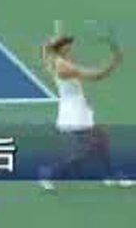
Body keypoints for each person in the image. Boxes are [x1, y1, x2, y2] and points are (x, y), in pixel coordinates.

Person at [39, 33, 133, 191]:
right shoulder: (64, 67)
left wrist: (48, 44)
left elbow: (45, 49)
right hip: (74, 113)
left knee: (101, 141)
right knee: (83, 151)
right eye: (67, 44)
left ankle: (110, 174)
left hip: (77, 108)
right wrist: (114, 61)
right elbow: (97, 75)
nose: (70, 46)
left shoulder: (54, 61)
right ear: (60, 48)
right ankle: (50, 173)